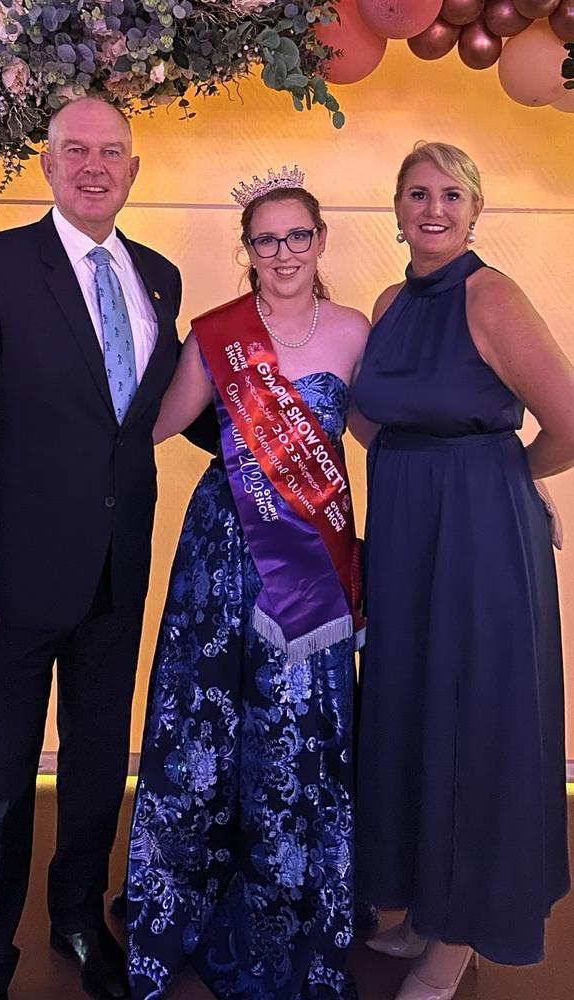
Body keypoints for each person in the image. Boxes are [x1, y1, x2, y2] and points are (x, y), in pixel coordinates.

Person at [0, 96, 199, 1000]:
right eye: (74, 150)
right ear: (46, 165)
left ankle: (79, 919)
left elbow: (165, 409)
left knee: (94, 767)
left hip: (117, 573)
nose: (93, 167)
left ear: (133, 169)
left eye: (111, 152)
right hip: (6, 579)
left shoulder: (158, 277)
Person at [125, 167, 373, 1000]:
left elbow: (387, 437)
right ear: (249, 252)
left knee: (295, 736)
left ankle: (291, 898)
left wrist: (501, 481)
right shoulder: (218, 335)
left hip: (307, 570)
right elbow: (154, 426)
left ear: (321, 240)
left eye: (297, 235)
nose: (283, 252)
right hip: (217, 563)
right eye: (266, 240)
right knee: (205, 730)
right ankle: (192, 894)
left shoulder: (354, 330)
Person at [351, 141, 574, 1000]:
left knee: (475, 718)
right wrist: (415, 466)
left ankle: (461, 937)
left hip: (479, 536)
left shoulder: (492, 295)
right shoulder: (387, 300)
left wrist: (511, 479)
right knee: (410, 706)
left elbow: (565, 419)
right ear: (396, 208)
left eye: (451, 194)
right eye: (417, 193)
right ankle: (423, 908)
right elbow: (372, 416)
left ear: (476, 210)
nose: (433, 208)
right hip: (407, 528)